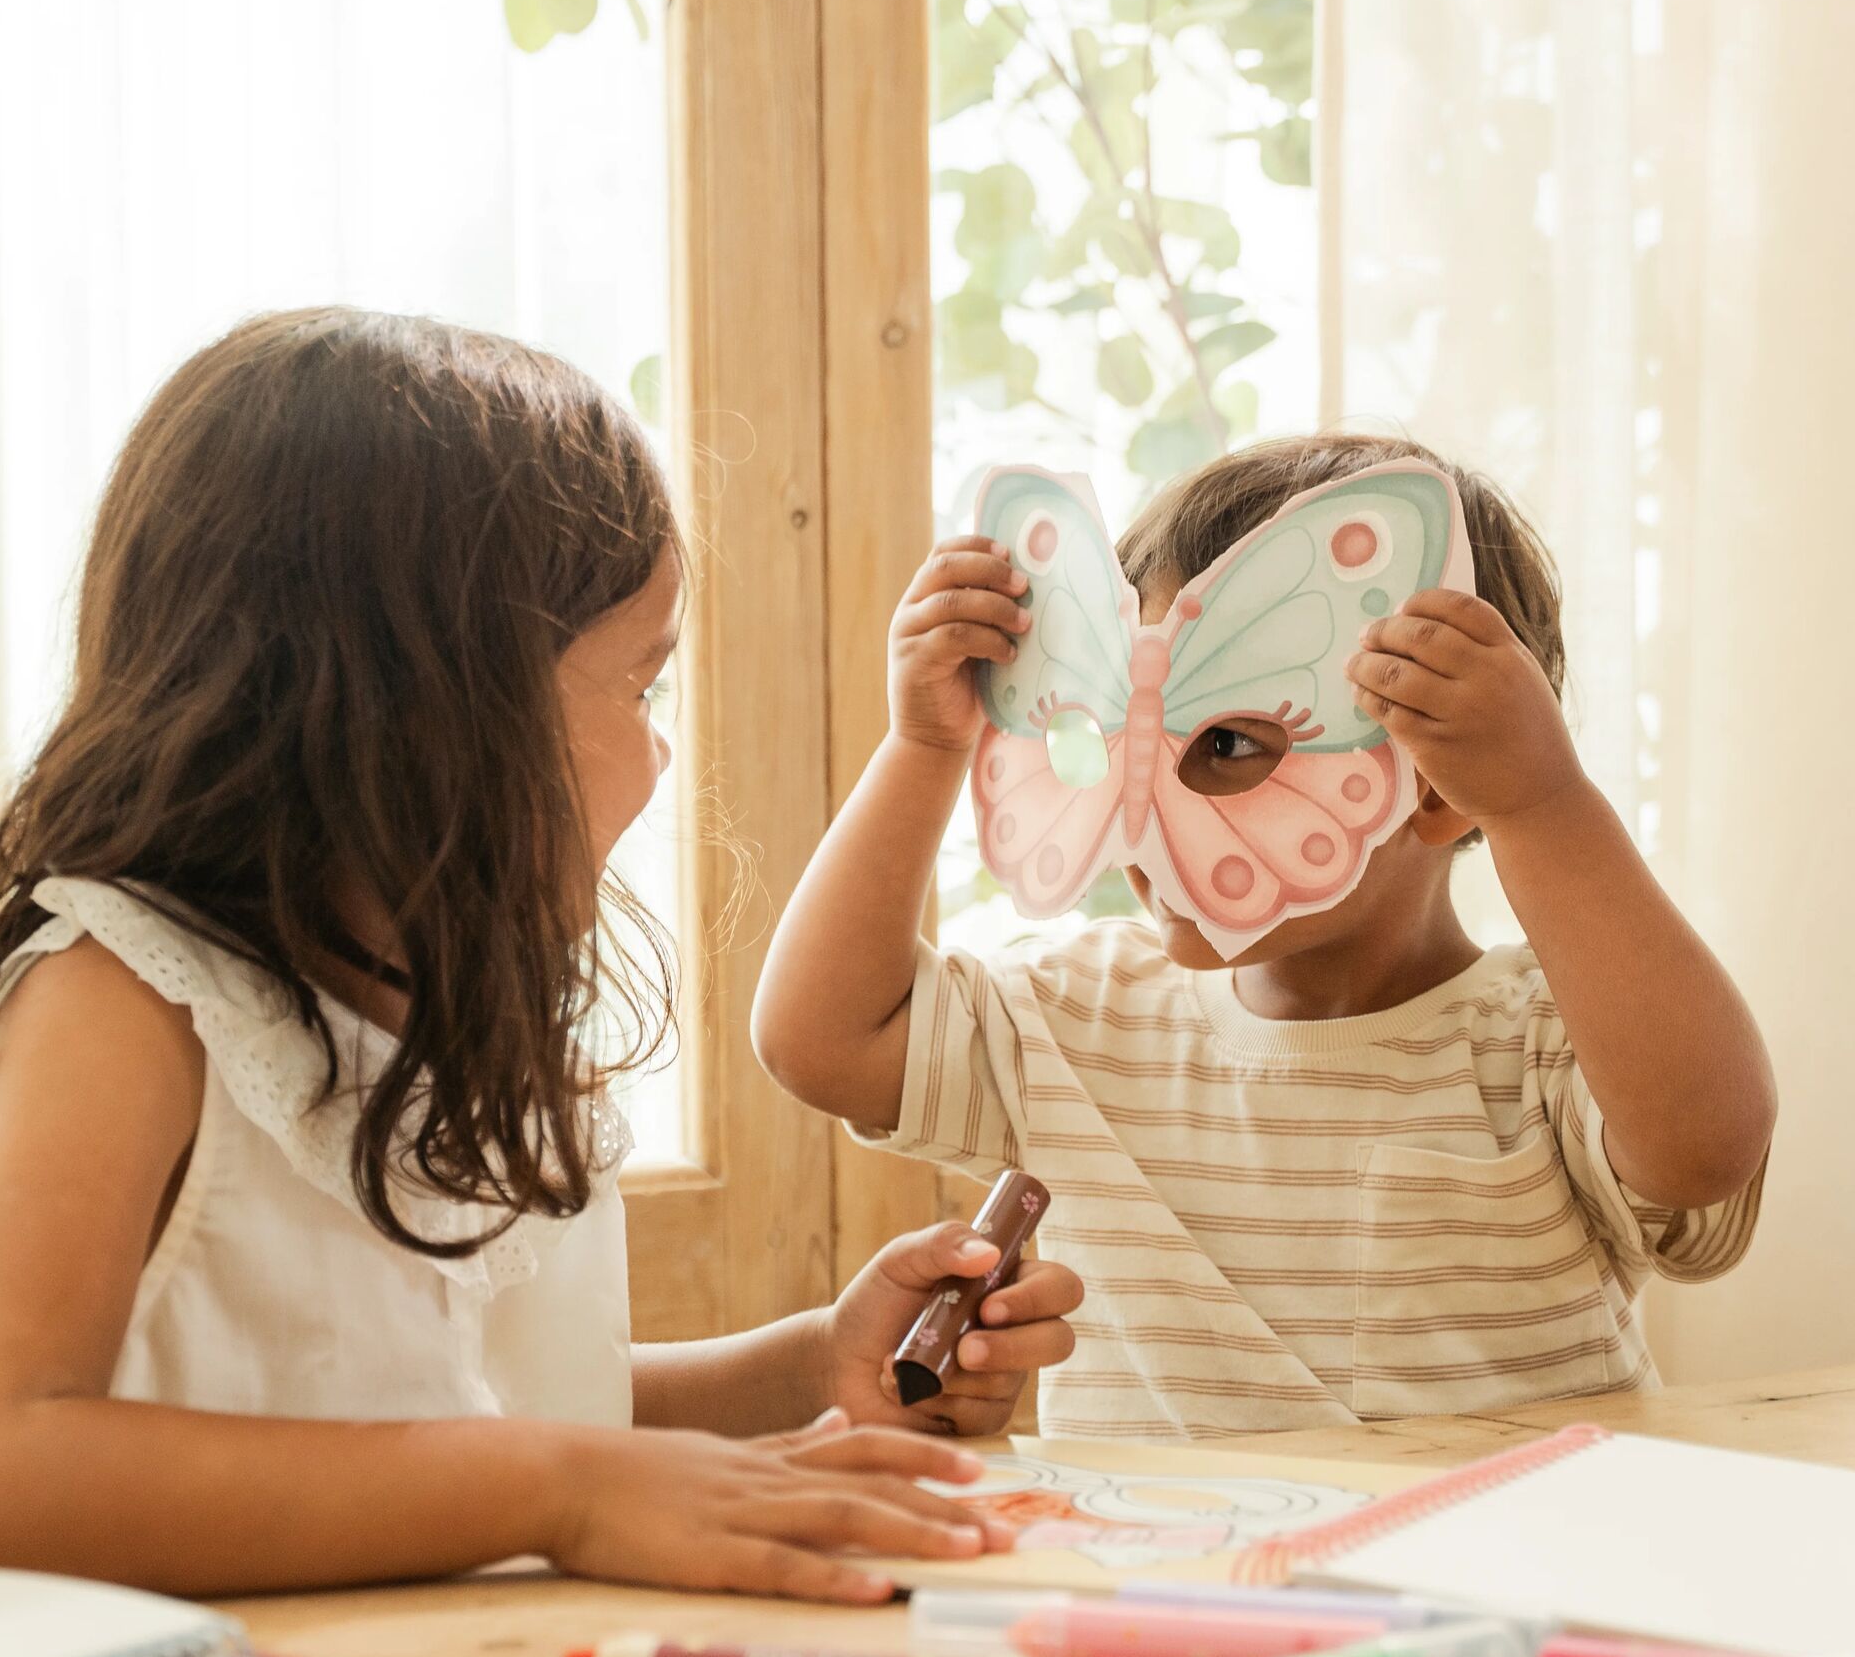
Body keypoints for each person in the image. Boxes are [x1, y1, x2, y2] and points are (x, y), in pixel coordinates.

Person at [0, 308, 1082, 1598]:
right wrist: (560, 1490)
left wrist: (795, 1375)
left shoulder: (443, 1024)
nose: (659, 750)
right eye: (636, 686)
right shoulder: (121, 999)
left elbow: (478, 1409)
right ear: (424, 706)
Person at [753, 435, 1774, 1439]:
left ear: (1436, 786)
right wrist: (924, 745)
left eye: (1226, 745)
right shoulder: (1076, 1017)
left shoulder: (1547, 1042)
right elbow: (818, 1038)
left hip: (1487, 1576)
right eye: (1117, 737)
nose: (1142, 818)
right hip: (1163, 1585)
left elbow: (1704, 1146)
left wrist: (1545, 806)